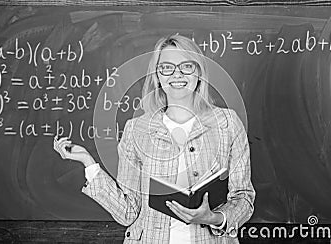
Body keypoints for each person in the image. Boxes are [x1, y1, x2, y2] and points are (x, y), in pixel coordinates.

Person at [53, 34, 255, 244]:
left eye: (186, 66)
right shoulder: (136, 130)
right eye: (166, 67)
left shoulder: (228, 123)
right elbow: (127, 212)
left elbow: (243, 198)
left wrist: (214, 218)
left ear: (199, 73)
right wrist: (89, 163)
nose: (176, 74)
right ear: (157, 75)